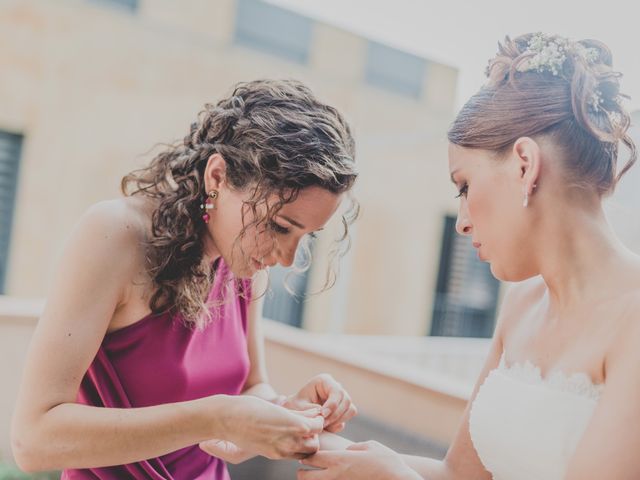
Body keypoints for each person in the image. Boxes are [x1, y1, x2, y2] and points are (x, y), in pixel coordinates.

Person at [297, 33, 640, 480]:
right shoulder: (522, 305)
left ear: (524, 164)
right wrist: (302, 435)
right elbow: (459, 474)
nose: (460, 222)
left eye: (464, 186)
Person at [10, 79, 360, 479]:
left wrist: (286, 409)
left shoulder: (242, 256)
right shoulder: (114, 235)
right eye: (280, 227)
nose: (287, 258)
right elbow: (32, 440)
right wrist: (216, 418)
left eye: (306, 236)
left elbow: (250, 388)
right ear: (217, 177)